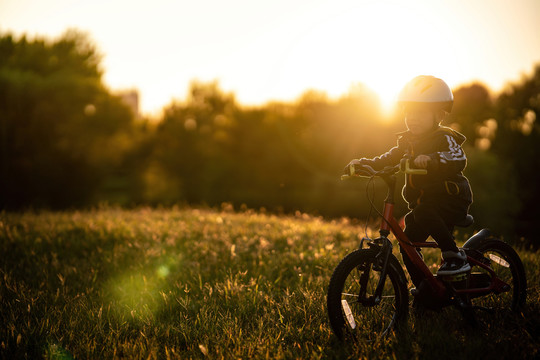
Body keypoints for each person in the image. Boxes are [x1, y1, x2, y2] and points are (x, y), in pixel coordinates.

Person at [345, 75, 473, 284]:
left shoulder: (444, 137)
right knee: (407, 243)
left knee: (424, 212)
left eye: (420, 113)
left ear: (438, 114)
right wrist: (366, 163)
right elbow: (389, 157)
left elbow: (457, 158)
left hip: (451, 199)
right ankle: (425, 287)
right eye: (409, 112)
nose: (413, 118)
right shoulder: (408, 141)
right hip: (424, 205)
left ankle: (455, 257)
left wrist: (431, 159)